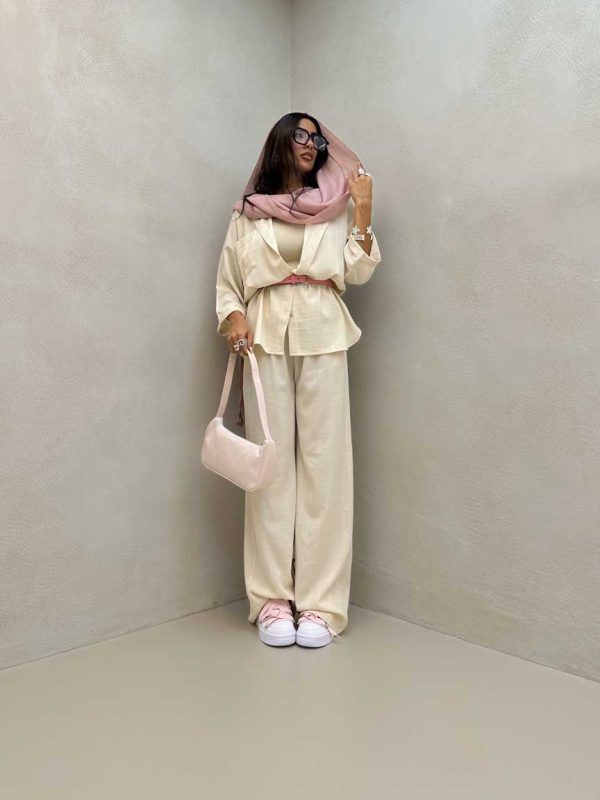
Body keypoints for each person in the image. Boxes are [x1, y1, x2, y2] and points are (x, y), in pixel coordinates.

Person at [214, 112, 382, 648]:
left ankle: (320, 605)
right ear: (280, 143)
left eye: (317, 138)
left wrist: (362, 213)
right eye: (301, 135)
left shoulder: (334, 208)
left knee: (325, 467)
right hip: (263, 337)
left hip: (324, 332)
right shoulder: (247, 213)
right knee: (270, 468)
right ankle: (270, 600)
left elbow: (358, 270)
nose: (311, 144)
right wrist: (232, 317)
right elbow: (228, 281)